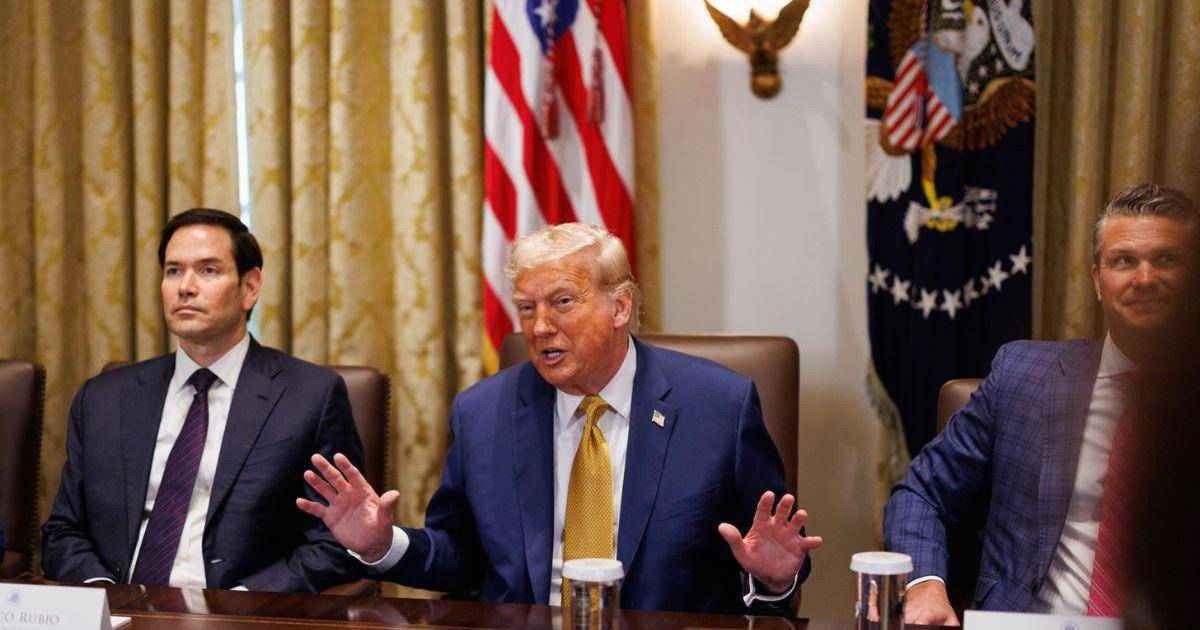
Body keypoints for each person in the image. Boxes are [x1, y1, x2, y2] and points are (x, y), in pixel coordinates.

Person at [298, 223, 822, 613]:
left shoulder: (719, 407)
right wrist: (381, 544)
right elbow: (460, 557)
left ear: (620, 307)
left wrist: (775, 579)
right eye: (527, 308)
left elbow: (769, 550)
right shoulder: (483, 413)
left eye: (563, 302)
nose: (540, 327)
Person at [884, 183, 1198, 625]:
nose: (1145, 279)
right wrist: (925, 586)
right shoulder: (1022, 374)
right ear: (1097, 282)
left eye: (1166, 259)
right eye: (1124, 261)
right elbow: (922, 493)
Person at [42, 208, 365, 592]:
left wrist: (242, 605)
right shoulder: (103, 398)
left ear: (250, 288)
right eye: (173, 271)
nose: (185, 287)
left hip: (240, 609)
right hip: (118, 607)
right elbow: (64, 531)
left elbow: (334, 543)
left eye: (208, 270)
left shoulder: (310, 397)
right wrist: (103, 599)